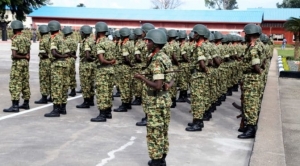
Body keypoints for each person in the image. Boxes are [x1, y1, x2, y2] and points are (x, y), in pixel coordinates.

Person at [134, 29, 173, 166]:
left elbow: (157, 85)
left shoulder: (157, 60)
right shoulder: (164, 57)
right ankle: (162, 158)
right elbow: (172, 78)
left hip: (156, 101)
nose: (146, 43)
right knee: (162, 130)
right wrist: (168, 84)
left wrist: (141, 77)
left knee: (155, 130)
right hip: (164, 100)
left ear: (156, 44)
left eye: (149, 41)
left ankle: (156, 160)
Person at [238, 24, 263, 139]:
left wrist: (252, 69)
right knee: (251, 104)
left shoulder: (254, 48)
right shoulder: (257, 45)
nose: (244, 35)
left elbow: (256, 67)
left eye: (246, 34)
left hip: (252, 80)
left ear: (250, 34)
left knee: (251, 105)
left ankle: (251, 129)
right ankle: (249, 127)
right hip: (252, 80)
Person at [3, 20, 31, 113]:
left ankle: (15, 106)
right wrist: (25, 57)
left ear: (14, 29)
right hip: (25, 64)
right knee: (25, 83)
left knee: (15, 84)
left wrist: (22, 57)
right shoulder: (27, 39)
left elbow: (14, 55)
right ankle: (26, 103)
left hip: (18, 63)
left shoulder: (15, 40)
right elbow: (28, 56)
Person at [90, 22, 116, 122]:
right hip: (111, 70)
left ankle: (102, 115)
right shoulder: (111, 42)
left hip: (102, 71)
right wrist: (112, 62)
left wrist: (109, 61)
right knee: (109, 92)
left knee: (102, 93)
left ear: (98, 31)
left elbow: (102, 60)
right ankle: (108, 112)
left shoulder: (100, 43)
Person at [44, 20, 70, 117]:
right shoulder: (62, 39)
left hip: (57, 65)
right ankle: (63, 108)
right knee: (63, 86)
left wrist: (60, 56)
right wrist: (64, 57)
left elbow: (54, 53)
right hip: (64, 65)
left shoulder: (54, 39)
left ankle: (56, 110)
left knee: (56, 87)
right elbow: (69, 53)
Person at [113, 27, 134, 112]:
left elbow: (126, 58)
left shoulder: (124, 44)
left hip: (124, 67)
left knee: (123, 86)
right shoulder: (131, 43)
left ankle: (124, 105)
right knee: (128, 86)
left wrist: (129, 64)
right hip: (129, 68)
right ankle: (128, 103)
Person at [76, 25, 96, 109]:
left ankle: (86, 102)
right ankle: (91, 101)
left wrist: (89, 59)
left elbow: (87, 55)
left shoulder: (86, 41)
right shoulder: (93, 40)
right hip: (92, 65)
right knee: (91, 83)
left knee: (85, 84)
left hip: (86, 64)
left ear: (83, 33)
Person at [34, 25, 51, 104]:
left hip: (45, 62)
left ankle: (44, 98)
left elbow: (43, 53)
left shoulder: (43, 40)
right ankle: (52, 96)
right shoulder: (52, 38)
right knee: (51, 79)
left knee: (44, 80)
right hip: (52, 62)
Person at [62, 27, 78, 97]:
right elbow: (74, 51)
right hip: (72, 59)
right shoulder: (74, 41)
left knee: (66, 75)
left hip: (67, 59)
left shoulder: (64, 41)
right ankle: (73, 90)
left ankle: (65, 91)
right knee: (72, 75)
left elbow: (65, 51)